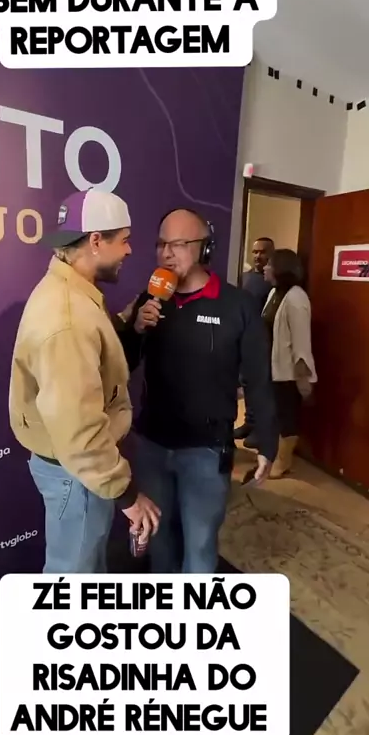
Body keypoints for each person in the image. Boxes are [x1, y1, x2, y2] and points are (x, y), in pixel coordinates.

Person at [117, 208, 278, 574]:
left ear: (205, 249)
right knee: (160, 541)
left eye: (178, 244)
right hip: (153, 445)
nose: (166, 253)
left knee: (200, 547)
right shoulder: (149, 299)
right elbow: (122, 365)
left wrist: (267, 440)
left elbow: (258, 377)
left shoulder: (238, 305)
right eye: (161, 244)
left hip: (206, 451)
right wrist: (135, 330)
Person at [9, 188, 160, 573]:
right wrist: (127, 495)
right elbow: (79, 431)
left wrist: (124, 325)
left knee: (83, 571)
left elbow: (89, 363)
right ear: (95, 241)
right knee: (73, 579)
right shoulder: (68, 318)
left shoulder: (71, 293)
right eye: (124, 240)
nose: (129, 250)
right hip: (78, 474)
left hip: (75, 471)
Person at [244, 249, 317, 481]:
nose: (265, 268)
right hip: (271, 366)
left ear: (280, 268)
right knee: (273, 413)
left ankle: (283, 462)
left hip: (288, 371)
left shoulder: (297, 298)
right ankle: (274, 455)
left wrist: (303, 376)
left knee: (286, 416)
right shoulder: (275, 292)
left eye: (269, 264)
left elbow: (301, 340)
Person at [234, 237, 275, 448]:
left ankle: (260, 429)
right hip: (243, 337)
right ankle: (249, 422)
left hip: (263, 341)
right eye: (255, 252)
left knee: (261, 386)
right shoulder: (245, 277)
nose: (258, 256)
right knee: (246, 382)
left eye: (262, 252)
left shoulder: (272, 281)